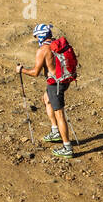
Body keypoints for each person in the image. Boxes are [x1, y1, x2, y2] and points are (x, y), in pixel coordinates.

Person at [16, 23, 74, 158]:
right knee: (46, 99)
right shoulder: (57, 44)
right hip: (63, 80)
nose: (36, 39)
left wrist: (21, 70)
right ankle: (55, 131)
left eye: (36, 37)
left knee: (60, 115)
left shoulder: (43, 50)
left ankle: (67, 147)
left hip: (56, 84)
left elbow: (35, 72)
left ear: (41, 36)